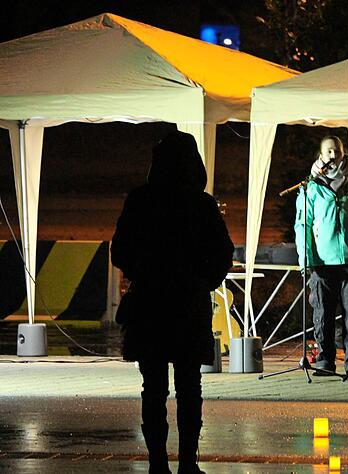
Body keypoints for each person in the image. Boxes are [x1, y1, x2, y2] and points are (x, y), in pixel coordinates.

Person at [111, 130, 234, 474]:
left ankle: (157, 463)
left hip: (149, 305)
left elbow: (119, 250)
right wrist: (203, 282)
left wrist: (144, 272)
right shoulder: (201, 203)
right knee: (189, 388)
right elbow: (223, 253)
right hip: (188, 305)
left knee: (153, 389)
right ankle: (188, 464)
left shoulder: (140, 200)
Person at [295, 135, 348, 377]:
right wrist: (306, 259)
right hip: (322, 261)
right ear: (321, 155)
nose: (333, 156)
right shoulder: (310, 188)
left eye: (337, 151)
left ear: (344, 153)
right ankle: (325, 360)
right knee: (323, 313)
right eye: (329, 151)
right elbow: (303, 225)